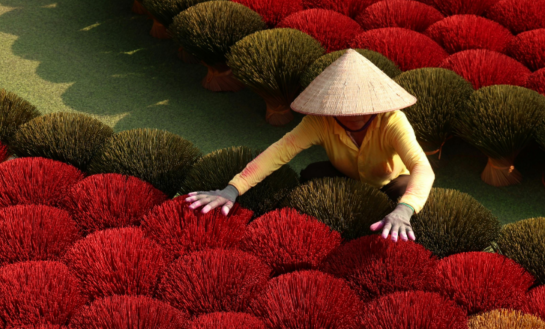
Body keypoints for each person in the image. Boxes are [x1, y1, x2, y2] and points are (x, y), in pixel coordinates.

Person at [185, 49, 436, 241]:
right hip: (345, 174)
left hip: (391, 181)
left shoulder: (392, 120)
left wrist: (404, 209)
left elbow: (422, 168)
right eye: (347, 109)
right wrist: (232, 189)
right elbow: (278, 151)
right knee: (311, 174)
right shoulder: (319, 122)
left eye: (364, 108)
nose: (357, 114)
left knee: (411, 195)